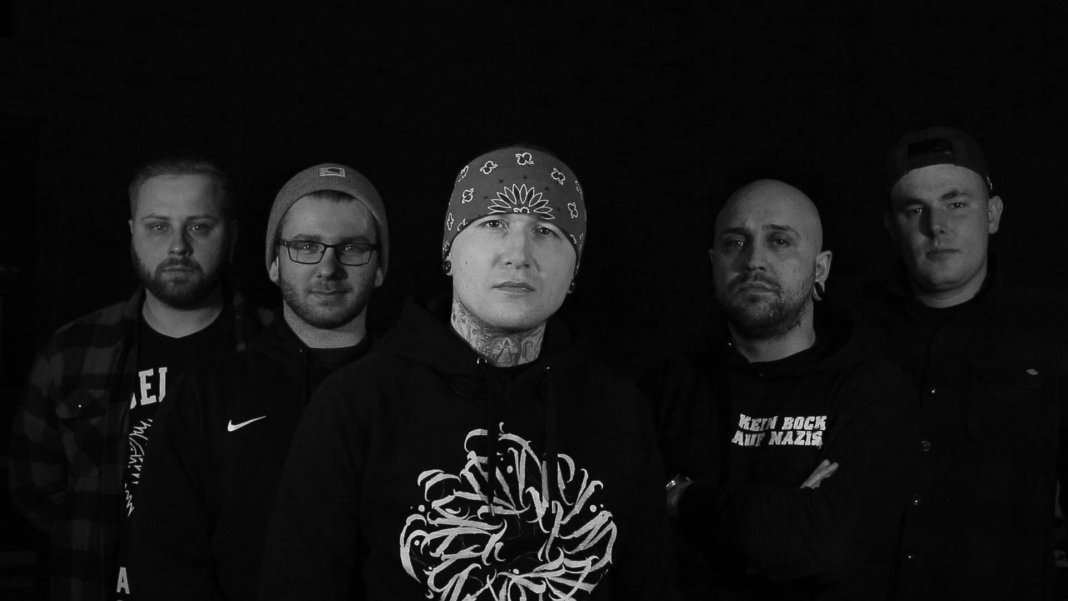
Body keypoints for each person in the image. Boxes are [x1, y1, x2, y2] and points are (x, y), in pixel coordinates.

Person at [258, 145, 672, 600]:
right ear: (449, 251)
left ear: (574, 268)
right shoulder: (357, 403)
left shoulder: (619, 410)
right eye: (493, 224)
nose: (518, 254)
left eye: (546, 230)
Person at [128, 163, 389, 600]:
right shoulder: (208, 391)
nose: (328, 267)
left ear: (379, 267)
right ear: (273, 262)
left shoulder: (415, 391)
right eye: (305, 246)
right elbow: (163, 558)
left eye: (352, 247)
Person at [7, 157, 259, 600]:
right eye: (158, 226)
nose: (178, 246)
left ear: (232, 235)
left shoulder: (272, 350)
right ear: (131, 232)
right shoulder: (72, 352)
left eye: (199, 227)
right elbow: (34, 486)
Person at [651, 179, 915, 599]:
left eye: (779, 241)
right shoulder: (668, 386)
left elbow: (827, 545)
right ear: (714, 263)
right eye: (735, 242)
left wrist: (684, 499)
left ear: (820, 269)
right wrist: (786, 512)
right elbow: (632, 535)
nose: (754, 261)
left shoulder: (869, 390)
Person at [856, 126, 1066, 600]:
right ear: (891, 227)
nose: (937, 226)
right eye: (915, 210)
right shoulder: (851, 334)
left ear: (992, 214)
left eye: (956, 203)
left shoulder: (1051, 332)